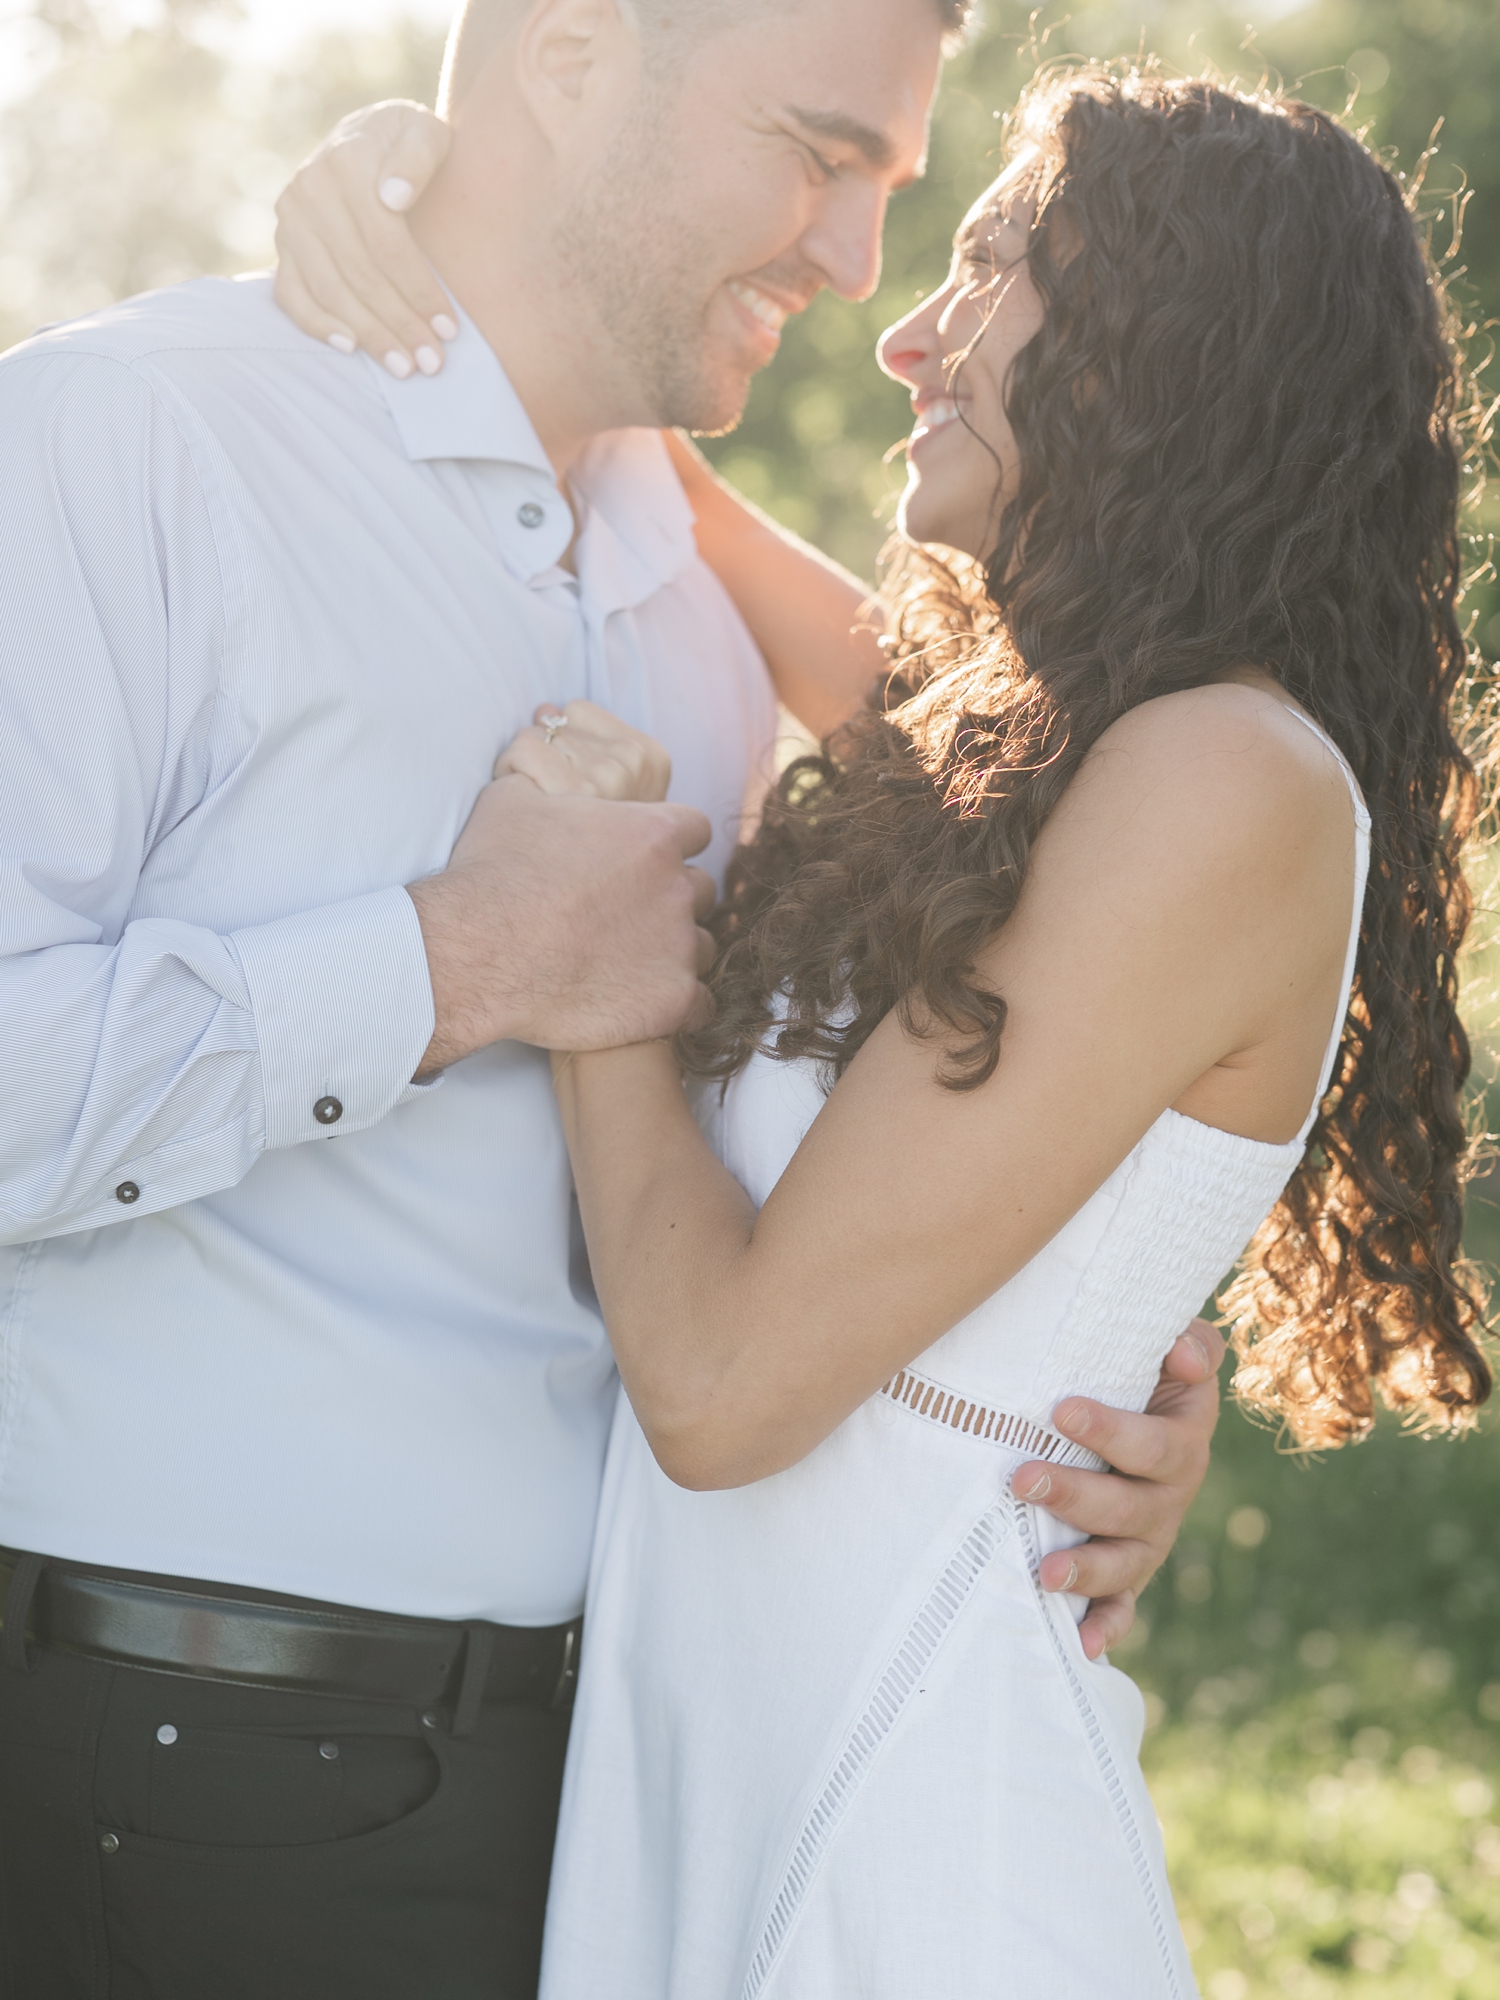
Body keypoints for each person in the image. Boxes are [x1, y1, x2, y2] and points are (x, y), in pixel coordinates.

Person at [0, 4, 1220, 1996]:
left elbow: (1123, 925)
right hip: (187, 1766)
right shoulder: (123, 444)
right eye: (819, 153)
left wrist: (1088, 1385)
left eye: (893, 195)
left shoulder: (697, 593)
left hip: (612, 1782)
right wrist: (453, 959)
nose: (854, 264)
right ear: (568, 51)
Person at [284, 58, 1493, 1997]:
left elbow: (725, 1388)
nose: (914, 329)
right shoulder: (1034, 759)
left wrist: (597, 976)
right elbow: (649, 450)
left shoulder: (1226, 780)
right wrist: (404, 173)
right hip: (733, 1800)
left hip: (914, 1859)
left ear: (1163, 349)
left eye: (1000, 263)